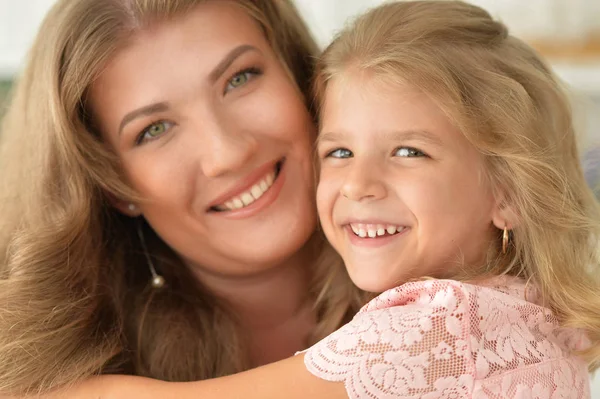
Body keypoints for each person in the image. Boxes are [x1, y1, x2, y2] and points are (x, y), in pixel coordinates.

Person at [61, 1, 600, 398]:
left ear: (508, 192)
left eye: (409, 151)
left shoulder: (441, 326)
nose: (359, 184)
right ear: (110, 182)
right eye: (340, 151)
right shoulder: (532, 311)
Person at [0, 0, 367, 396]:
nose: (227, 153)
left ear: (299, 73)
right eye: (155, 129)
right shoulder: (56, 372)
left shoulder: (438, 278)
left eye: (239, 78)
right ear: (112, 184)